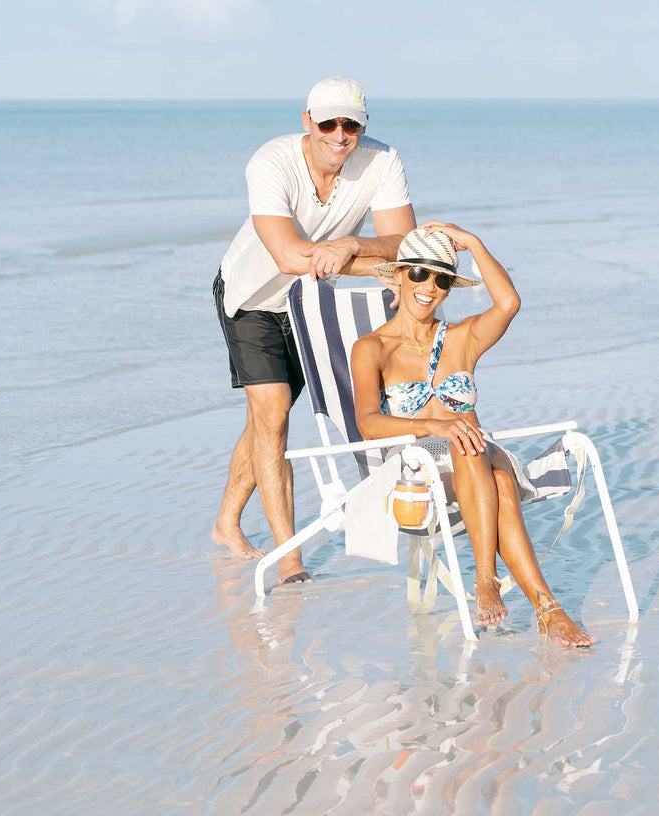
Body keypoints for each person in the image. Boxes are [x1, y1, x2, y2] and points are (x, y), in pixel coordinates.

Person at [350, 223, 596, 647]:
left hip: (476, 454)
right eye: (420, 274)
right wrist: (434, 426)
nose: (430, 287)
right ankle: (513, 592)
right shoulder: (373, 347)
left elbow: (509, 301)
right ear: (398, 275)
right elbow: (368, 423)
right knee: (473, 452)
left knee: (481, 457)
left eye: (442, 279)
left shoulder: (462, 339)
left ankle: (521, 597)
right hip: (417, 464)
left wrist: (474, 243)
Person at [212, 76, 416, 582]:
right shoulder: (271, 161)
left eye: (351, 124)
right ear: (308, 122)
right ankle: (290, 558)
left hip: (311, 302)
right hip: (253, 299)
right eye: (328, 123)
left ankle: (225, 523)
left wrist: (350, 243)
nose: (339, 134)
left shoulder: (382, 160)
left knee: (266, 419)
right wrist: (369, 261)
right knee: (273, 412)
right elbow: (285, 254)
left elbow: (403, 240)